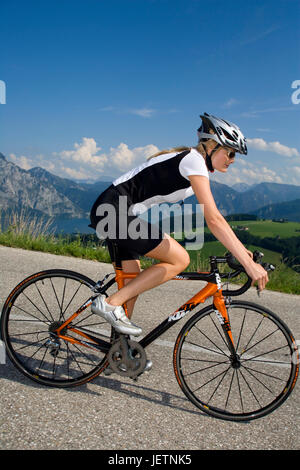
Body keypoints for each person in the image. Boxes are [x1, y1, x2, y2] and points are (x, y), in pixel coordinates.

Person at [89, 112, 269, 341]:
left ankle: (118, 351)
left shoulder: (191, 162)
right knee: (180, 259)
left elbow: (215, 219)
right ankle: (108, 304)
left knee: (131, 282)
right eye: (230, 153)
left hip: (118, 212)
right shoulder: (194, 161)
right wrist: (248, 265)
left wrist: (243, 252)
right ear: (212, 145)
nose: (232, 160)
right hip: (112, 211)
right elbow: (213, 219)